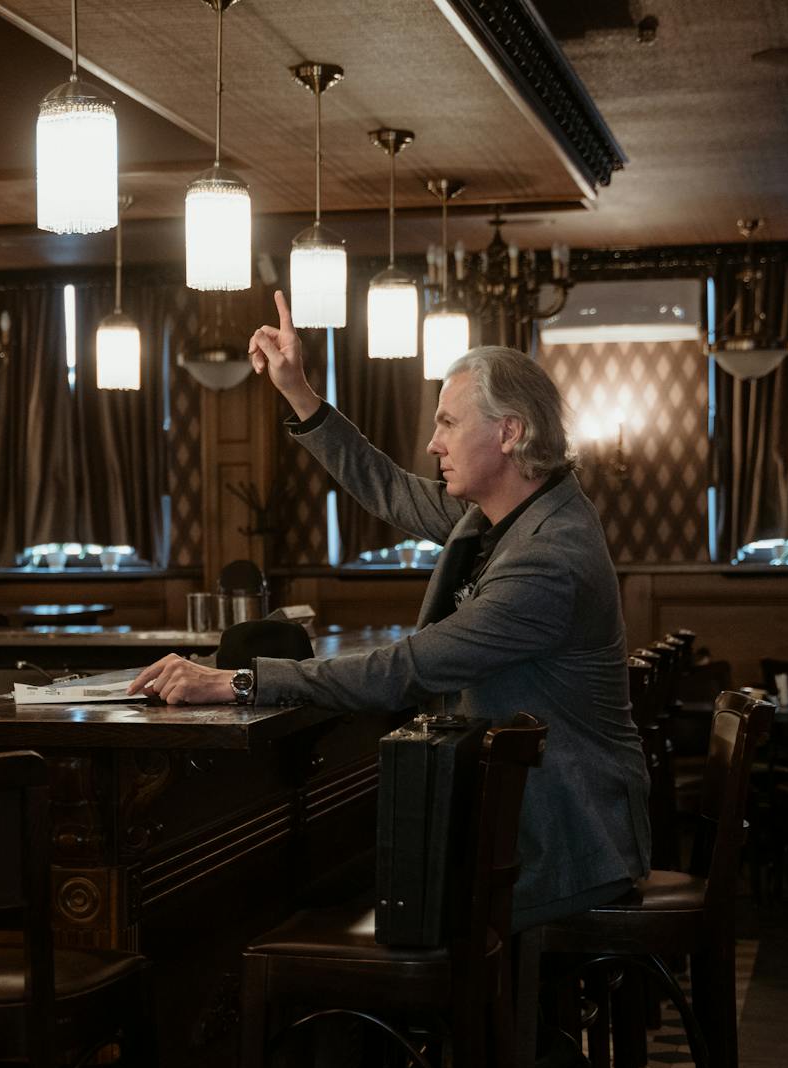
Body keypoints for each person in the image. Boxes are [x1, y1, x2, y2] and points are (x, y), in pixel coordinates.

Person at [127, 290, 649, 926]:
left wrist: (237, 681)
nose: (432, 442)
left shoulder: (548, 557)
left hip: (559, 840)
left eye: (449, 423)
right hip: (517, 821)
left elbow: (406, 669)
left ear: (510, 432)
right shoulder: (507, 512)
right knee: (329, 877)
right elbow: (388, 489)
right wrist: (299, 393)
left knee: (303, 896)